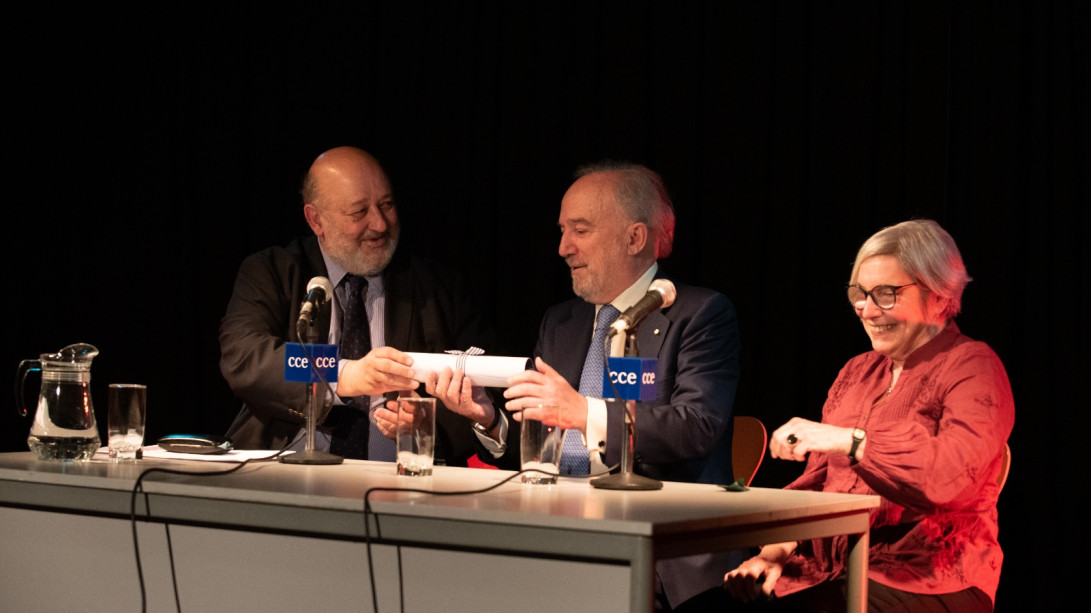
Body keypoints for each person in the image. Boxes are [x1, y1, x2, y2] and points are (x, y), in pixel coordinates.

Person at [426, 161, 743, 611]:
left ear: (635, 238)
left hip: (661, 555)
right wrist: (489, 417)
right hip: (560, 535)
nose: (563, 248)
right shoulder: (562, 322)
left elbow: (696, 427)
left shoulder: (700, 315)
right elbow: (542, 441)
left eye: (580, 230)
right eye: (562, 230)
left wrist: (584, 413)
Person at [723, 219, 1014, 612]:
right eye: (859, 293)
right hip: (829, 573)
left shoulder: (973, 366)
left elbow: (950, 477)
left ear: (939, 295)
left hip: (926, 579)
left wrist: (852, 441)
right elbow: (817, 484)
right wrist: (773, 555)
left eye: (886, 294)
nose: (866, 309)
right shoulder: (857, 371)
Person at [219, 145, 495, 464]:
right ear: (316, 219)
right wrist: (345, 374)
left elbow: (486, 388)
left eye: (387, 205)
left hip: (397, 485)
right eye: (359, 212)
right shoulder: (272, 271)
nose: (379, 224)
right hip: (283, 470)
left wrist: (426, 426)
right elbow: (246, 357)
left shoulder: (440, 288)